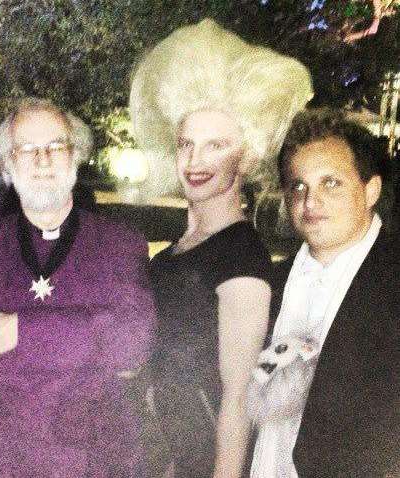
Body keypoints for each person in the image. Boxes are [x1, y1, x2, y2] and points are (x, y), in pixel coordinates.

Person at [129, 19, 313, 477]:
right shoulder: (182, 246)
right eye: (186, 144)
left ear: (245, 156)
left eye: (216, 146)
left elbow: (237, 395)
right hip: (167, 455)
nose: (195, 161)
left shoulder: (241, 254)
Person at [0, 97, 156, 477]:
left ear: (76, 156)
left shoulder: (120, 243)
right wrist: (92, 339)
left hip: (100, 463)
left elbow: (133, 342)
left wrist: (17, 330)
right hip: (9, 463)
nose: (43, 160)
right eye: (27, 149)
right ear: (8, 165)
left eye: (56, 146)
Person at [250, 108, 400, 477]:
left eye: (330, 183)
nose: (310, 201)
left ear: (371, 191)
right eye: (298, 186)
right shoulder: (269, 283)